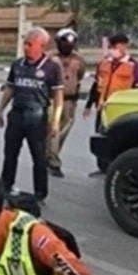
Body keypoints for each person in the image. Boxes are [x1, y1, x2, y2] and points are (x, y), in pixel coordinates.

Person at [0, 27, 64, 203]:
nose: (26, 48)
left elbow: (58, 97)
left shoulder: (51, 67)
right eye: (24, 43)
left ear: (41, 45)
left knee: (38, 156)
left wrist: (55, 121)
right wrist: (0, 110)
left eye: (30, 44)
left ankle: (40, 193)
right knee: (10, 153)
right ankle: (6, 185)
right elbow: (10, 88)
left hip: (37, 116)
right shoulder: (17, 64)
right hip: (17, 115)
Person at [83, 33, 138, 176]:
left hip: (122, 110)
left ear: (124, 46)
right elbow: (96, 85)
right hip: (103, 108)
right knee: (101, 137)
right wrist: (88, 105)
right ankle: (102, 167)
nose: (113, 50)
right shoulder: (104, 64)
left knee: (120, 138)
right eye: (111, 47)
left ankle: (119, 167)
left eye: (116, 46)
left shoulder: (133, 66)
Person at [47, 28, 87, 179]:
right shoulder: (49, 57)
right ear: (58, 42)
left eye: (71, 42)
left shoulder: (79, 59)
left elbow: (80, 75)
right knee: (53, 129)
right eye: (65, 41)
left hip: (70, 99)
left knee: (65, 128)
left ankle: (50, 153)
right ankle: (53, 161)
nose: (68, 45)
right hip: (52, 99)